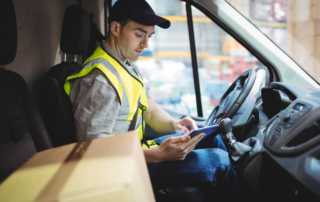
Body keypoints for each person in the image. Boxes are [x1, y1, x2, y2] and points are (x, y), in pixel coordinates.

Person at [64, 0, 238, 199]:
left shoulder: (124, 65)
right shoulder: (99, 80)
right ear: (115, 28)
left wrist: (176, 124)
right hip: (115, 172)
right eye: (139, 34)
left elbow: (148, 108)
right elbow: (91, 152)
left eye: (150, 36)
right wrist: (158, 155)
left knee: (214, 140)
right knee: (221, 161)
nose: (146, 44)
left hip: (133, 153)